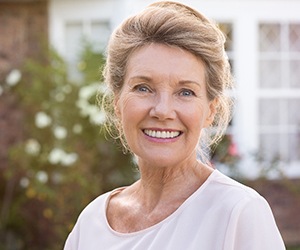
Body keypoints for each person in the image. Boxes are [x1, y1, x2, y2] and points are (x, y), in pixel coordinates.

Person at [64, 1, 285, 249]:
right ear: (117, 103)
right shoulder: (92, 223)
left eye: (186, 92)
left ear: (210, 110)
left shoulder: (238, 212)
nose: (163, 111)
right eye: (143, 88)